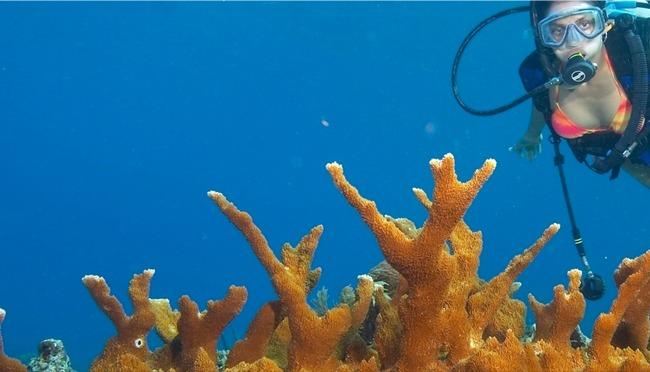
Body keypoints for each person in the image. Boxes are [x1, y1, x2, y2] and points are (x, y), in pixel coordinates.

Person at [512, 0, 650, 187]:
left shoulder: (640, 43)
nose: (573, 40)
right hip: (622, 158)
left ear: (605, 24)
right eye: (558, 30)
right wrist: (532, 135)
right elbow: (541, 103)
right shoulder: (538, 73)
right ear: (543, 39)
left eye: (584, 24)